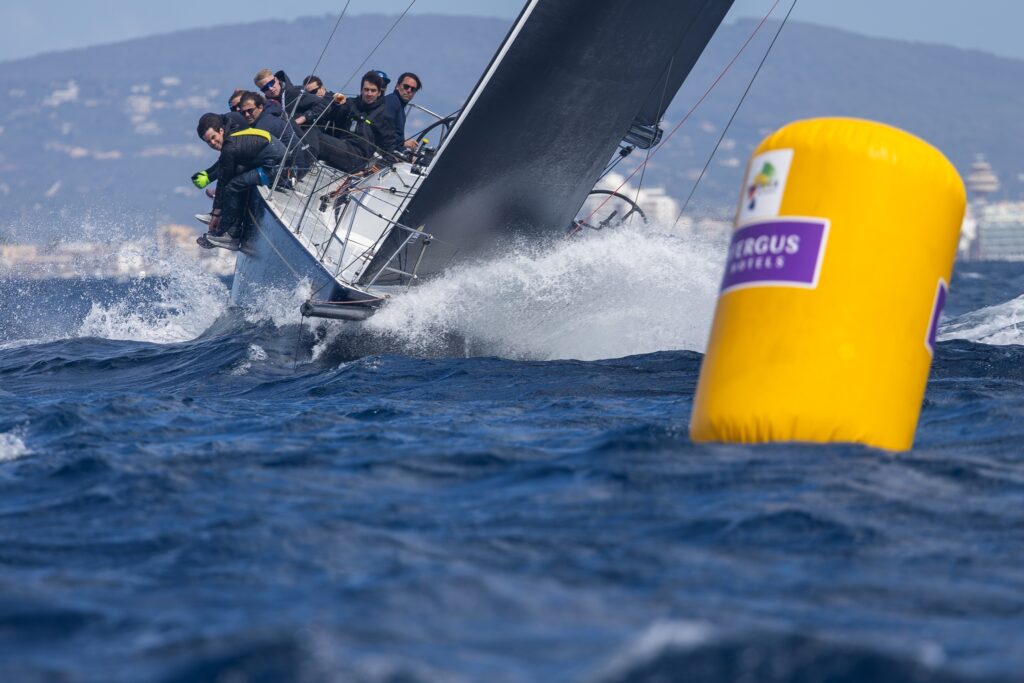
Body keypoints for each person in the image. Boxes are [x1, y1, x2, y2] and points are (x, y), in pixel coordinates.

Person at [195, 112, 285, 250]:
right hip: (270, 162)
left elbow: (223, 182)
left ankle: (231, 236)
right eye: (208, 141)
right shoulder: (232, 129)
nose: (212, 143)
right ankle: (223, 229)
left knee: (234, 186)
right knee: (236, 179)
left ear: (221, 131)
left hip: (278, 169)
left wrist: (216, 213)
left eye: (213, 137)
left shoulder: (229, 148)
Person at [322, 70, 396, 172]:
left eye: (373, 90)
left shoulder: (384, 116)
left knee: (319, 139)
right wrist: (336, 102)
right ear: (361, 90)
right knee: (312, 133)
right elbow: (335, 114)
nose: (369, 94)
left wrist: (379, 167)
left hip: (357, 159)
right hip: (341, 147)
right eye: (366, 89)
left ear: (379, 93)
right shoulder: (351, 103)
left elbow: (390, 147)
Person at [237, 91, 316, 179]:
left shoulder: (264, 125)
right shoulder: (270, 113)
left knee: (241, 174)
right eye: (243, 113)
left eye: (250, 110)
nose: (247, 115)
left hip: (295, 170)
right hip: (301, 163)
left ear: (260, 107)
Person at [382, 72, 422, 152]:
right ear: (397, 86)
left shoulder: (400, 107)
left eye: (413, 89)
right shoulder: (392, 101)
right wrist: (403, 143)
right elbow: (382, 127)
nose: (409, 90)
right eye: (406, 86)